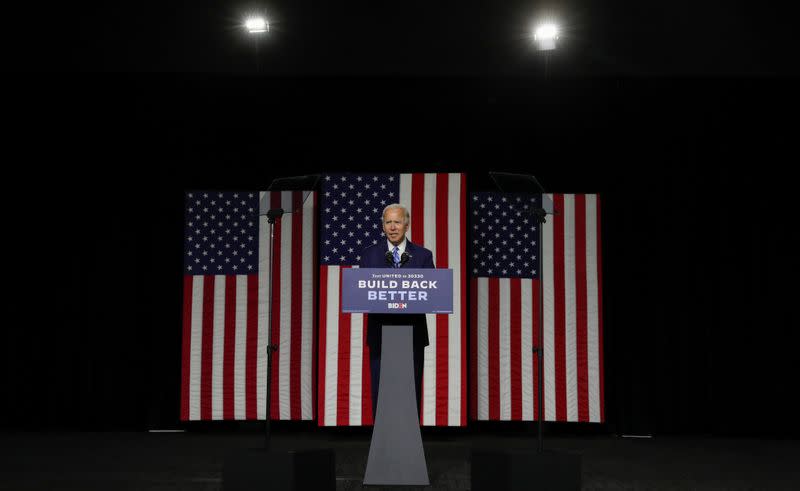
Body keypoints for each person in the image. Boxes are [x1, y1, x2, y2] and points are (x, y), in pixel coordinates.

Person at [358, 203, 434, 420]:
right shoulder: (369, 255)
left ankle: (410, 442)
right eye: (388, 222)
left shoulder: (423, 256)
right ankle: (381, 444)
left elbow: (432, 294)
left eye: (397, 222)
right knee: (381, 392)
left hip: (412, 335)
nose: (392, 227)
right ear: (383, 226)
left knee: (410, 391)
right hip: (380, 335)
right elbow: (362, 294)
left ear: (406, 225)